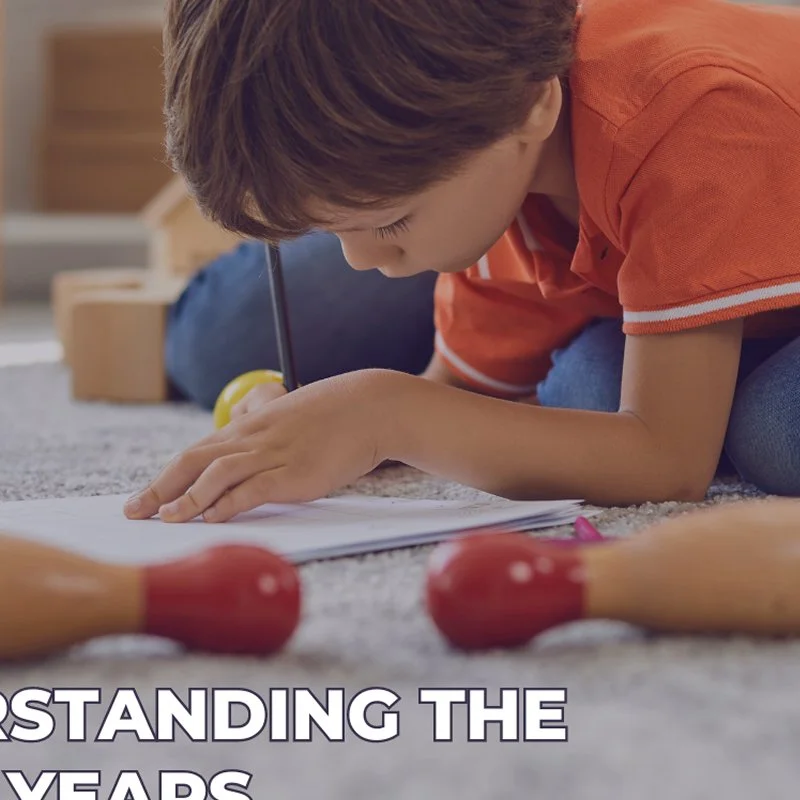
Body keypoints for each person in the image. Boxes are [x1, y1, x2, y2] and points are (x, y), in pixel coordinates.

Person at [126, 0, 800, 525]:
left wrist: (382, 411)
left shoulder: (686, 120)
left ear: (534, 106)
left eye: (390, 222)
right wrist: (320, 423)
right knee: (585, 391)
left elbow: (667, 465)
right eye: (334, 231)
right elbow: (459, 399)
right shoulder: (501, 168)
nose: (360, 259)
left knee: (771, 427)